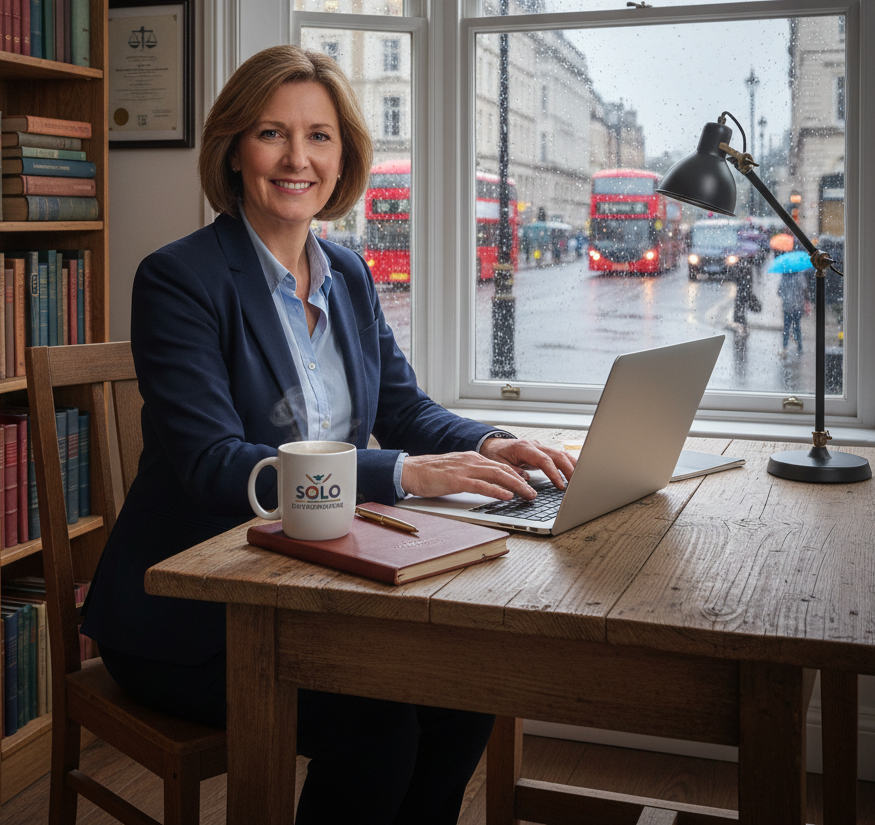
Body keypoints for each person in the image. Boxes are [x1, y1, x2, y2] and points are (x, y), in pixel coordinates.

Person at [80, 45, 575, 825]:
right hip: (191, 614)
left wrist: (491, 445)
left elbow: (406, 410)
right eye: (271, 133)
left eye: (319, 136)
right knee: (377, 733)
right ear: (233, 150)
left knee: (464, 696)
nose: (297, 158)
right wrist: (402, 475)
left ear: (343, 158)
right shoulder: (178, 279)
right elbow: (214, 465)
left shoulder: (348, 274)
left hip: (315, 590)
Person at [778, 268, 809, 355]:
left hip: (787, 307)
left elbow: (779, 292)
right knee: (797, 326)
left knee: (786, 327)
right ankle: (799, 346)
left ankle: (785, 346)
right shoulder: (800, 276)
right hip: (797, 306)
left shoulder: (784, 277)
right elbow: (804, 289)